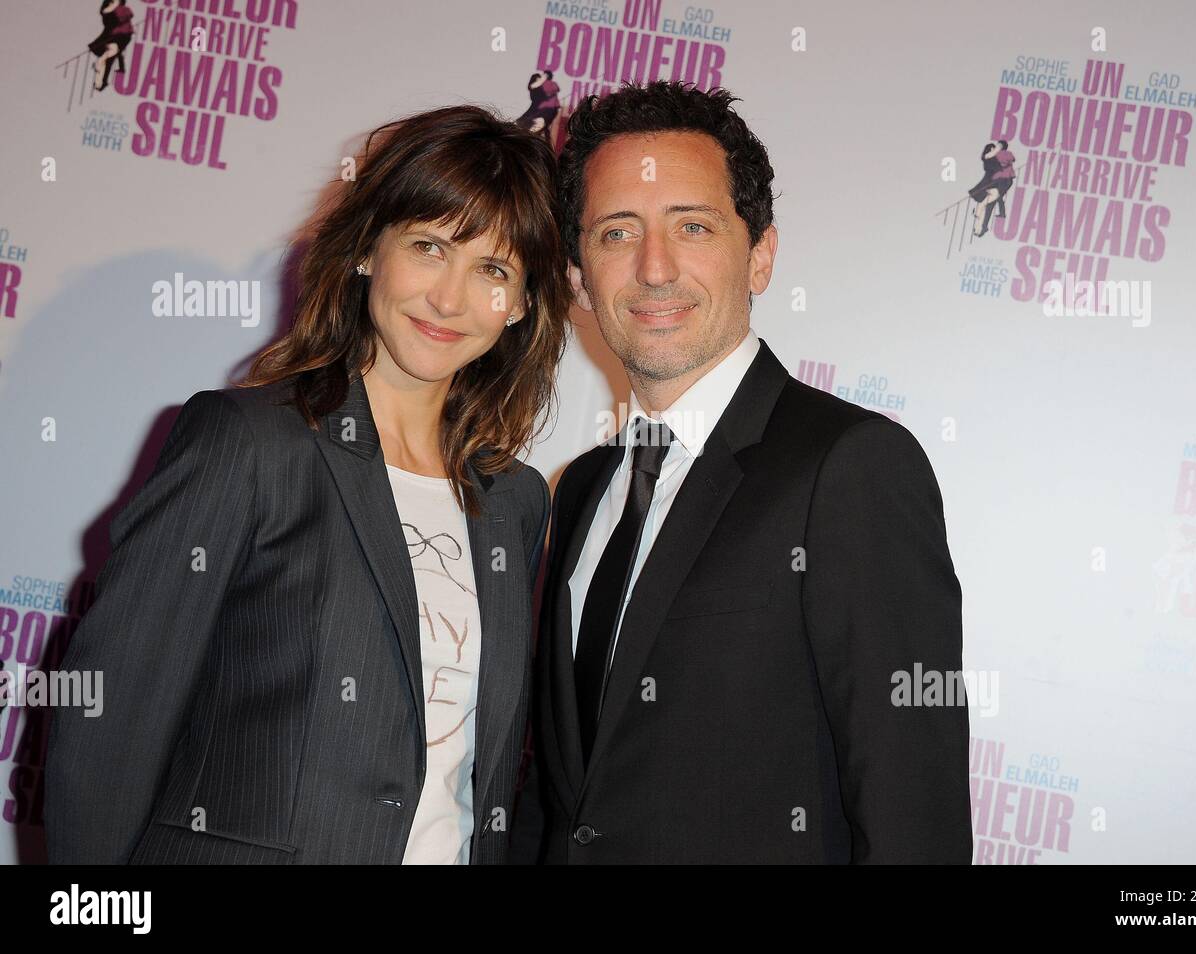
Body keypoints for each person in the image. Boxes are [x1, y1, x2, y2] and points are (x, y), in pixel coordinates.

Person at [44, 105, 571, 864]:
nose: (449, 300)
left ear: (521, 303)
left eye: (492, 269)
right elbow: (111, 716)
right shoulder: (251, 444)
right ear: (367, 251)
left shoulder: (515, 502)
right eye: (428, 246)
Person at [509, 80, 972, 864]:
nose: (655, 269)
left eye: (692, 226)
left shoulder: (850, 468)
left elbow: (910, 814)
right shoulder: (580, 489)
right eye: (618, 233)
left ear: (760, 255)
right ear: (578, 276)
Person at [88, 0, 134, 92]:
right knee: (109, 58)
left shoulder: (124, 9)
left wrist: (113, 8)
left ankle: (101, 68)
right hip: (112, 36)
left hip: (123, 36)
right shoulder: (108, 9)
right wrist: (110, 8)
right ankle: (99, 83)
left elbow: (126, 17)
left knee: (112, 53)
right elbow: (105, 16)